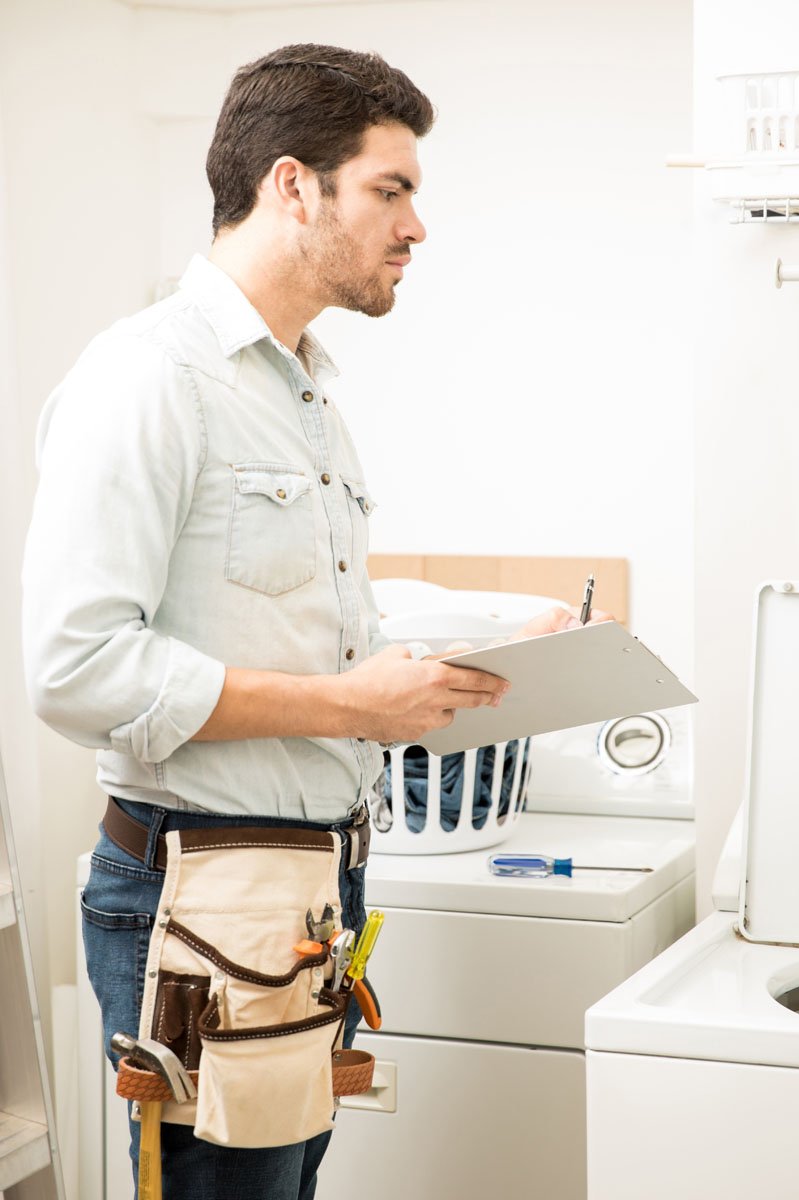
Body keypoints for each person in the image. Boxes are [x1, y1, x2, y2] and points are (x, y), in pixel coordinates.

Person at [22, 42, 591, 1200]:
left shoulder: (307, 389)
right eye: (392, 189)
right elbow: (76, 666)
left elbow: (282, 622)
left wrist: (443, 657)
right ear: (294, 186)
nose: (416, 225)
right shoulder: (148, 380)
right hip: (197, 896)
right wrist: (348, 705)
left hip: (311, 895)